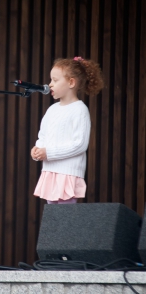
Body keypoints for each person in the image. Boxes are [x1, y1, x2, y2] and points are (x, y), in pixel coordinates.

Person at [31, 56, 104, 204]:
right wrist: (38, 149)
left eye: (55, 80)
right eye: (51, 80)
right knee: (54, 220)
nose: (50, 84)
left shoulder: (79, 110)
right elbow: (43, 135)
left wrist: (49, 153)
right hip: (50, 171)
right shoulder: (51, 110)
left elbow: (79, 144)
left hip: (68, 173)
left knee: (66, 220)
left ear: (71, 82)